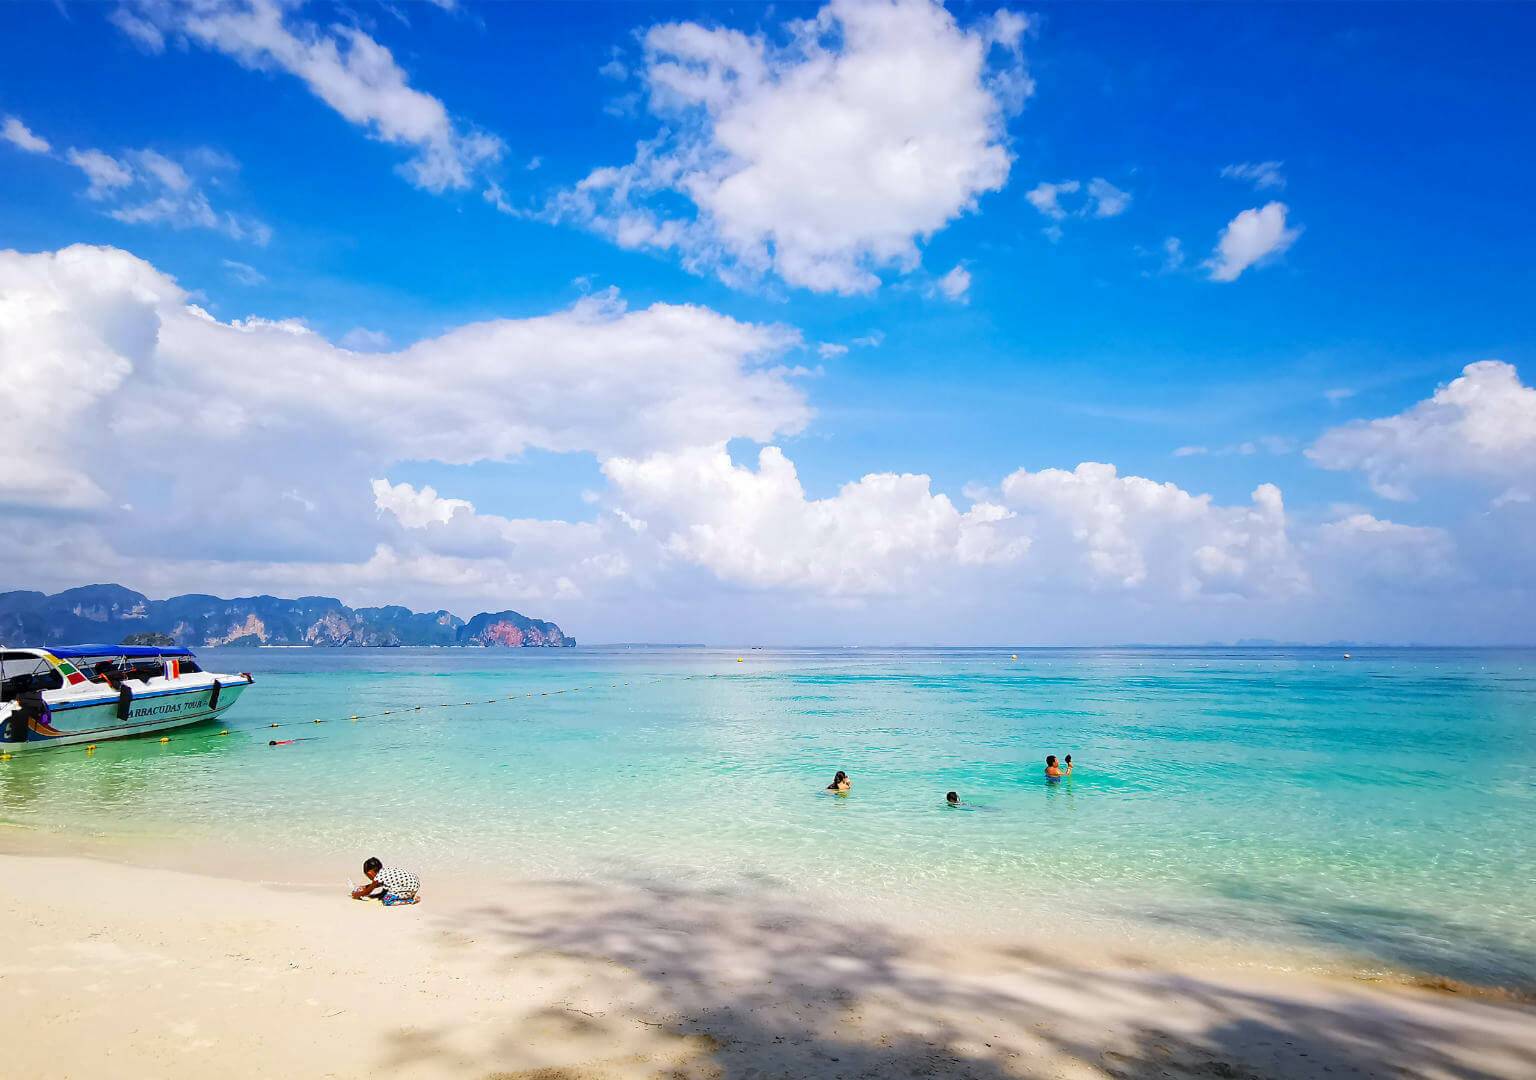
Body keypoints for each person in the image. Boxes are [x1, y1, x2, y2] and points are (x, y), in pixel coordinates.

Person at [350, 856, 420, 905]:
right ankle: (409, 894)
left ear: (370, 873)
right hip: (413, 881)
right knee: (389, 888)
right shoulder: (384, 871)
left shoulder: (378, 877)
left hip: (410, 887)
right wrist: (364, 887)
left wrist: (356, 895)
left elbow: (367, 892)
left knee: (387, 900)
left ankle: (410, 900)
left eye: (367, 875)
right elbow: (378, 884)